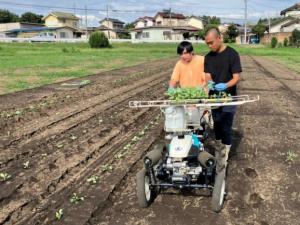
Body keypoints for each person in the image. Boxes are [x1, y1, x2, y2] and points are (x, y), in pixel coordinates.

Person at [204, 27, 242, 172]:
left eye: (211, 43)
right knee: (217, 124)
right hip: (214, 97)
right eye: (207, 43)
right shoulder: (208, 57)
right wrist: (210, 83)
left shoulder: (232, 54)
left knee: (226, 125)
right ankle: (220, 148)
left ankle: (225, 152)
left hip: (229, 97)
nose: (209, 46)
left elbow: (236, 77)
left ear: (219, 38)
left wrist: (225, 85)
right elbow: (207, 75)